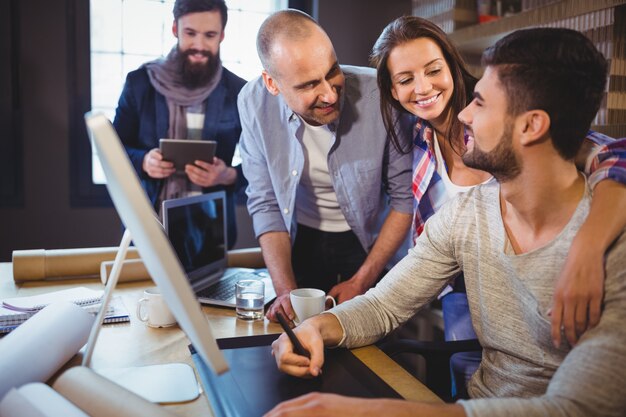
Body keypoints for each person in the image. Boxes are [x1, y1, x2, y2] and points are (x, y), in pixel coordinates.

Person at [268, 28, 626, 417]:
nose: (465, 114)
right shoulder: (463, 213)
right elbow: (384, 306)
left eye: (480, 102)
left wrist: (365, 412)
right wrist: (315, 328)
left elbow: (577, 408)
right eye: (404, 80)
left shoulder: (611, 238)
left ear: (531, 126)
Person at [370, 16, 626, 395]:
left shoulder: (502, 112)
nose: (422, 88)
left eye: (433, 70)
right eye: (405, 80)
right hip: (461, 283)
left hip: (534, 276)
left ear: (453, 66)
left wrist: (587, 247)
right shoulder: (417, 137)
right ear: (392, 91)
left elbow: (613, 153)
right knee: (475, 383)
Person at [238, 10, 413, 323]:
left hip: (370, 241)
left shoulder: (379, 95)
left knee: (370, 344)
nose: (330, 94)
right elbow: (265, 202)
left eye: (332, 71)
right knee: (303, 338)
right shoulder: (252, 103)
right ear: (272, 84)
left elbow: (404, 198)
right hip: (300, 237)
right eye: (308, 85)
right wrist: (284, 289)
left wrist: (362, 280)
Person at [113, 0, 246, 247]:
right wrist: (144, 161)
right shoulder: (139, 84)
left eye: (210, 35)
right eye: (190, 33)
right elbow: (114, 151)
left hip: (212, 232)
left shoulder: (239, 92)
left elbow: (262, 168)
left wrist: (227, 175)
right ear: (175, 29)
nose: (199, 45)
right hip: (147, 226)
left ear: (222, 35)